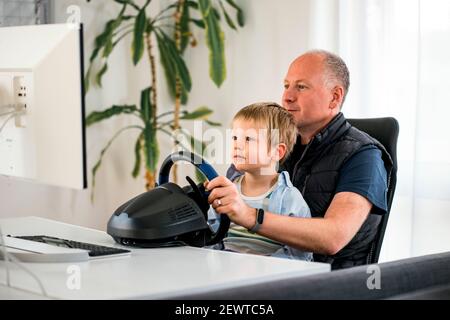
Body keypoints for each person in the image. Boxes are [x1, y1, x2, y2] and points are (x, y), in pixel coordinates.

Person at [205, 49, 394, 269]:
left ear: (334, 97)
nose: (287, 97)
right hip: (245, 271)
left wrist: (249, 216)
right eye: (286, 85)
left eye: (301, 87)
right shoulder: (269, 141)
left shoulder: (364, 156)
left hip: (326, 284)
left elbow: (333, 237)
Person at [208, 102, 312, 261]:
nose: (237, 145)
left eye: (248, 139)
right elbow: (211, 236)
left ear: (277, 151)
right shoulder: (228, 189)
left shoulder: (289, 198)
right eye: (235, 137)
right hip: (225, 268)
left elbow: (299, 253)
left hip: (268, 277)